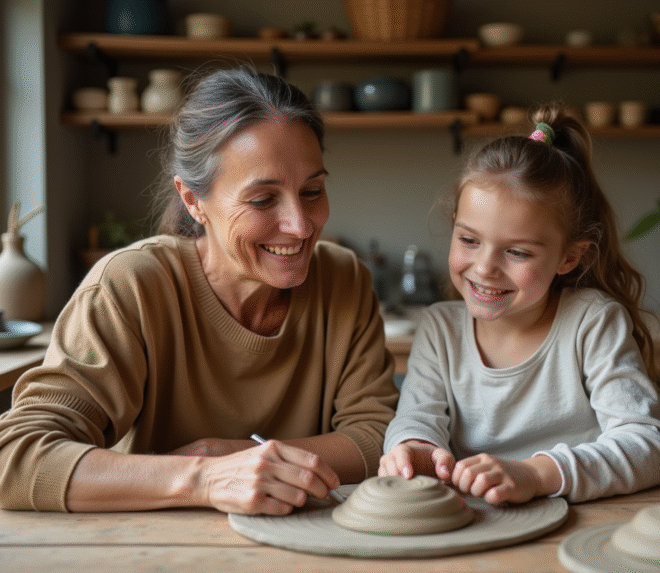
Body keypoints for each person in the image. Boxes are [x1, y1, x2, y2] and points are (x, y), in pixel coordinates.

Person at [0, 68, 398, 514]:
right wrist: (204, 476)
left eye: (312, 190)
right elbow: (16, 458)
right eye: (263, 200)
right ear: (193, 200)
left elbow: (375, 436)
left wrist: (225, 452)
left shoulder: (344, 278)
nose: (301, 226)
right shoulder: (130, 286)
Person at [379, 104, 660, 505]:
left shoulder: (592, 322)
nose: (484, 268)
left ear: (569, 258)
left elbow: (650, 448)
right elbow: (417, 418)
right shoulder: (440, 328)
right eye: (469, 240)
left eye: (517, 252)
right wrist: (413, 448)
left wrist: (535, 474)